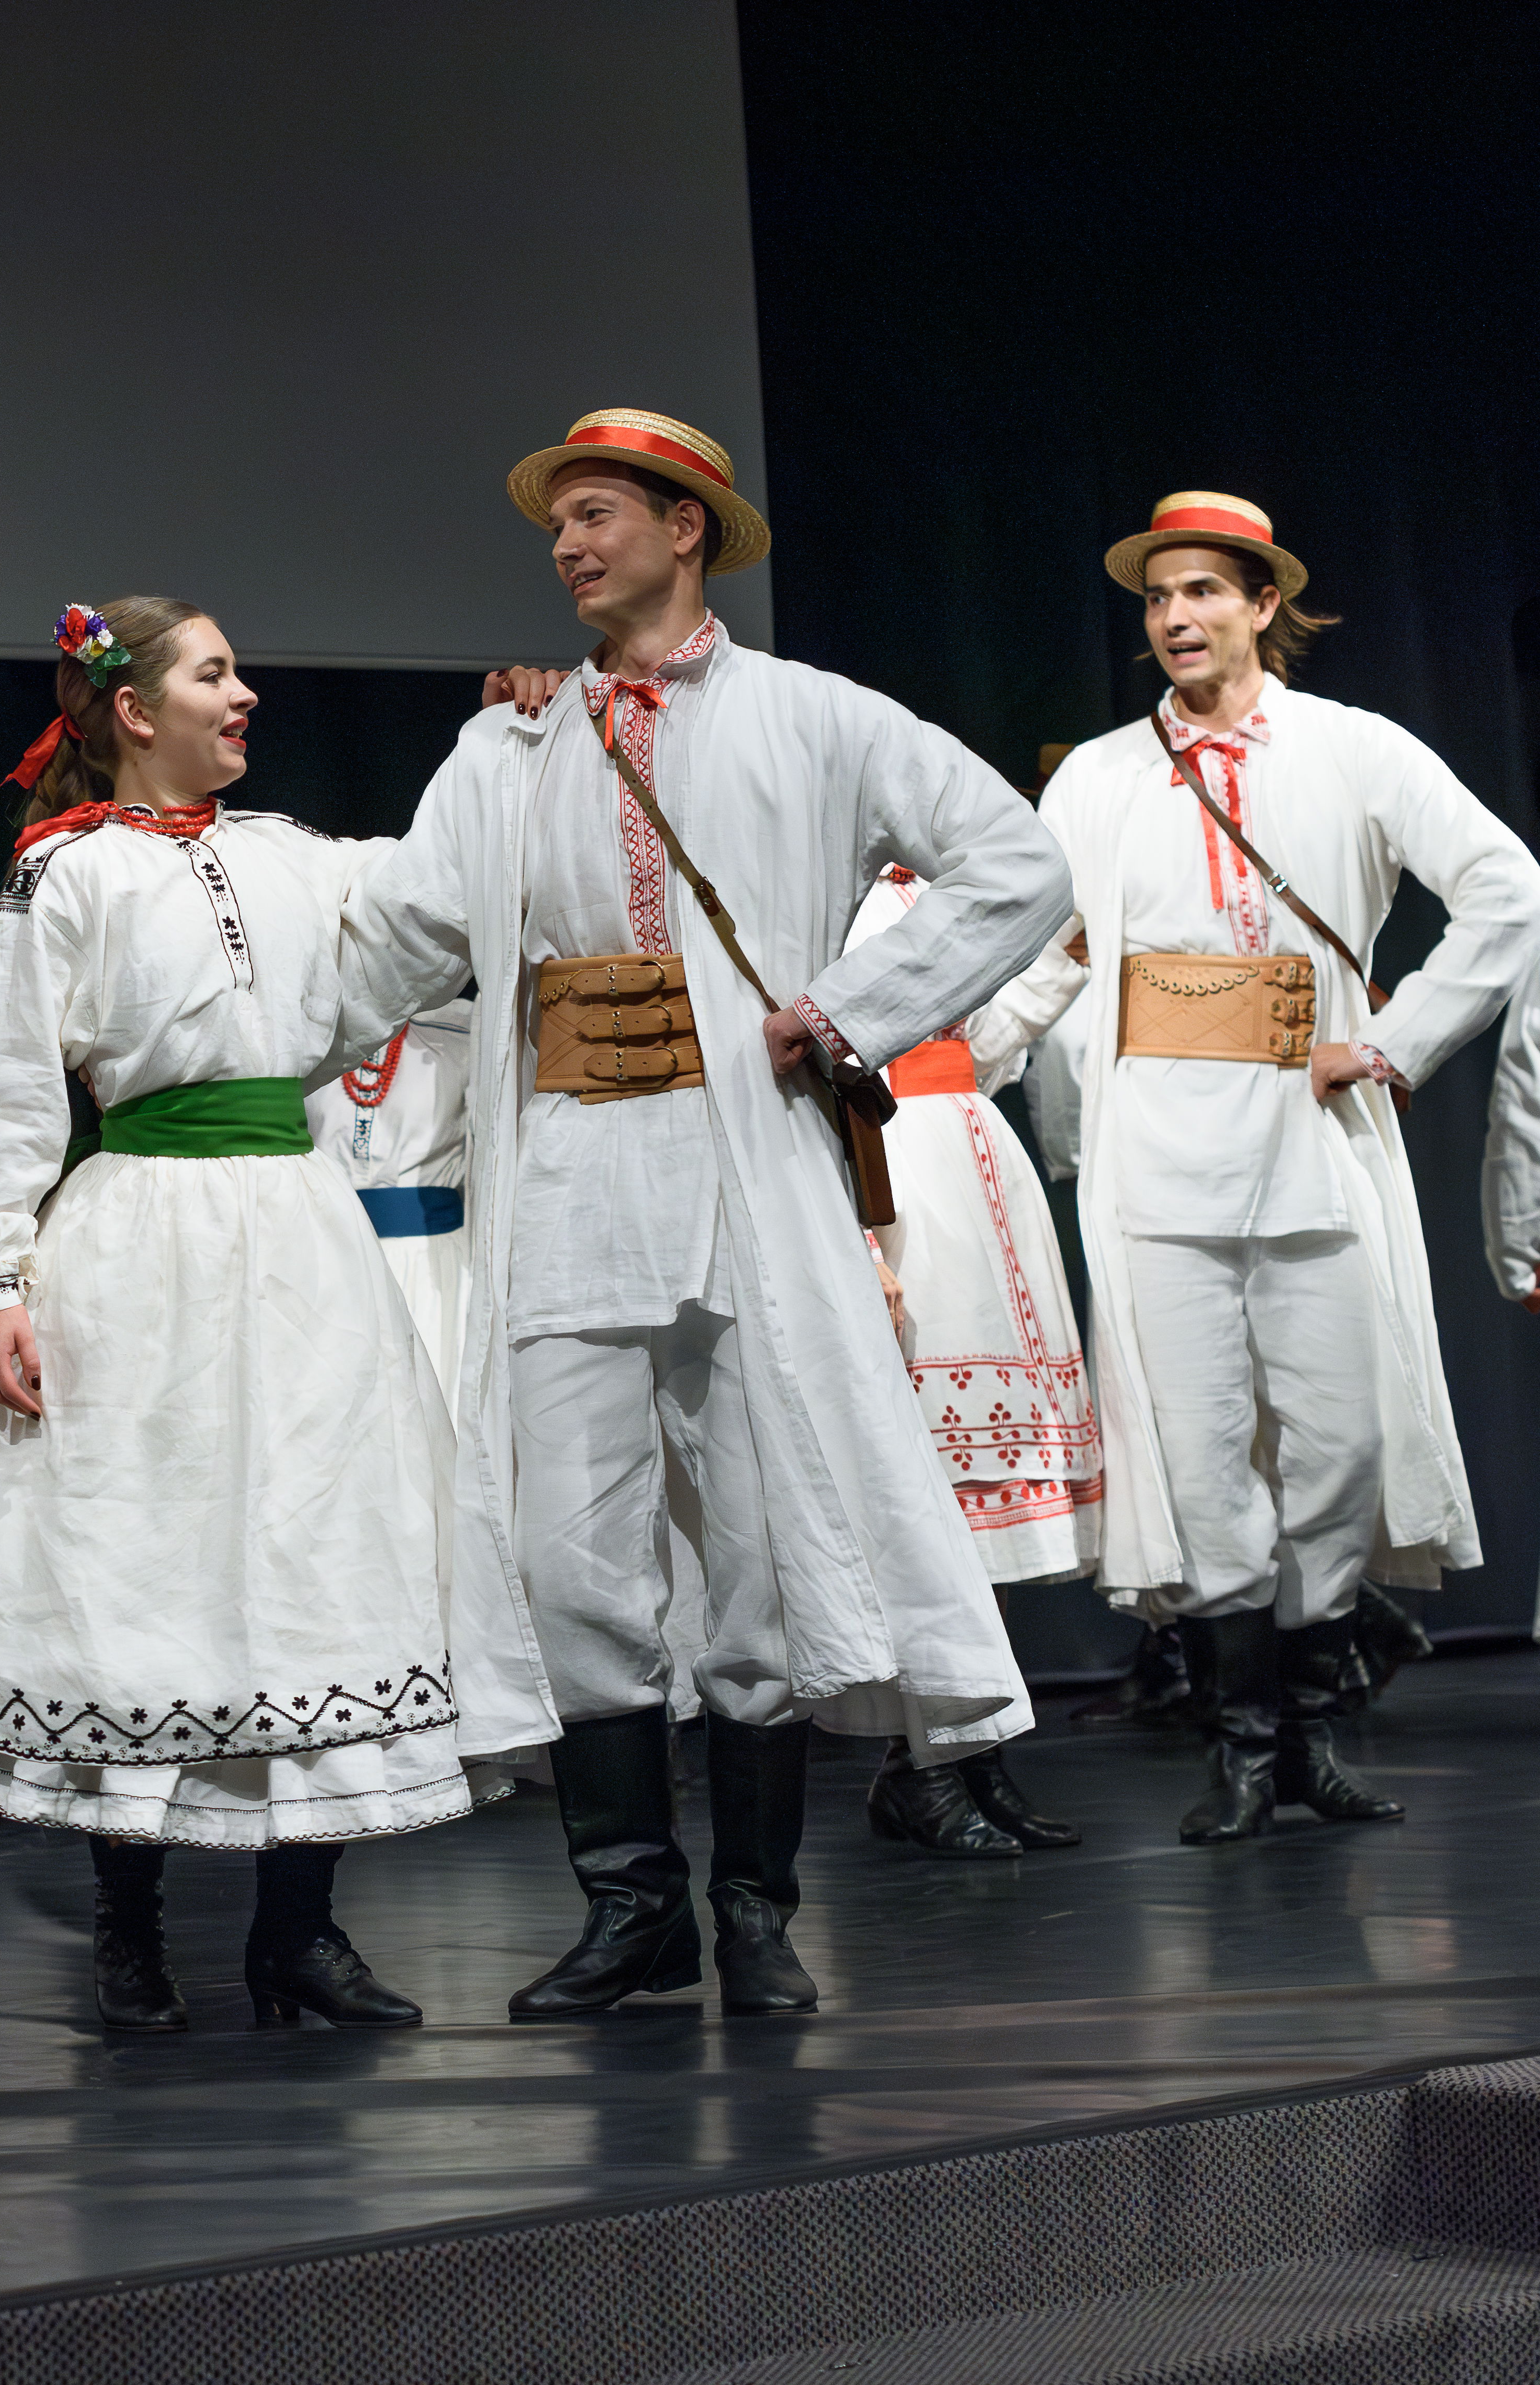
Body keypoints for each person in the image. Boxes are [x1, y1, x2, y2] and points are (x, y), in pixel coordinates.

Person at [334, 411, 1071, 2020]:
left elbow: (1016, 866)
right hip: (576, 1181)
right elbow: (385, 936)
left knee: (755, 1547)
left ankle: (750, 1905)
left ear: (685, 526)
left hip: (743, 1171)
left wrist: (854, 1005)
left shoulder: (811, 716)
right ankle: (629, 1906)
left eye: (595, 514)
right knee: (573, 1552)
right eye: (554, 526)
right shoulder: (506, 744)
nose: (564, 546)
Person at [0, 598, 551, 2031]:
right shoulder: (59, 875)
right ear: (136, 709)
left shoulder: (291, 860)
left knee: (311, 1547)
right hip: (139, 1236)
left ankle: (297, 1931)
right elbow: (10, 1088)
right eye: (214, 673)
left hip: (297, 1232)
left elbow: (432, 897)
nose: (245, 693)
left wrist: (506, 736)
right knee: (138, 1558)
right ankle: (129, 1930)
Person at [978, 493, 1540, 1842]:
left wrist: (1396, 1041)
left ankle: (1310, 1723)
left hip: (1311, 1143)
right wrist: (958, 1062)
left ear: (1262, 604)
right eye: (1158, 599)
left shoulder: (1353, 750)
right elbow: (1054, 950)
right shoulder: (1102, 775)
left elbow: (1507, 894)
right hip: (1160, 1155)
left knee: (1339, 1443)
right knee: (1204, 1446)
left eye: (1202, 593)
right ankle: (1244, 1741)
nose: (1176, 618)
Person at [845, 863, 1095, 1857]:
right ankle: (930, 1756)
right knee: (928, 1490)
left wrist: (1051, 967)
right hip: (901, 1170)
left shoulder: (927, 891)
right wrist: (860, 1235)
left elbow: (976, 1049)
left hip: (972, 1159)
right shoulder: (824, 890)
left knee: (974, 1499)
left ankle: (969, 1755)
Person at [309, 995, 479, 1392]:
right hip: (333, 1260)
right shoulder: (316, 1032)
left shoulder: (463, 1031)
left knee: (428, 1393)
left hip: (434, 1261)